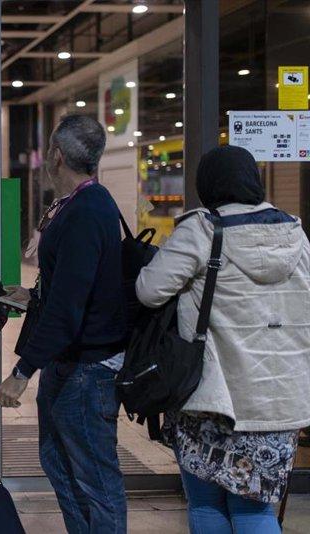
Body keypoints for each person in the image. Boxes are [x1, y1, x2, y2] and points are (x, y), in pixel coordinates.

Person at [135, 145, 310, 534]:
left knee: (207, 504)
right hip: (277, 398)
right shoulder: (295, 234)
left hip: (213, 399)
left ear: (207, 184)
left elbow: (149, 291)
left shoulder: (201, 230)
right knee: (256, 511)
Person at [0, 115, 127, 533]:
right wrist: (33, 296)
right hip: (69, 366)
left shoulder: (87, 211)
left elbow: (70, 307)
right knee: (58, 464)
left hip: (88, 371)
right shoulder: (76, 205)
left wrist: (21, 372)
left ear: (56, 155)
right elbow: (72, 287)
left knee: (96, 481)